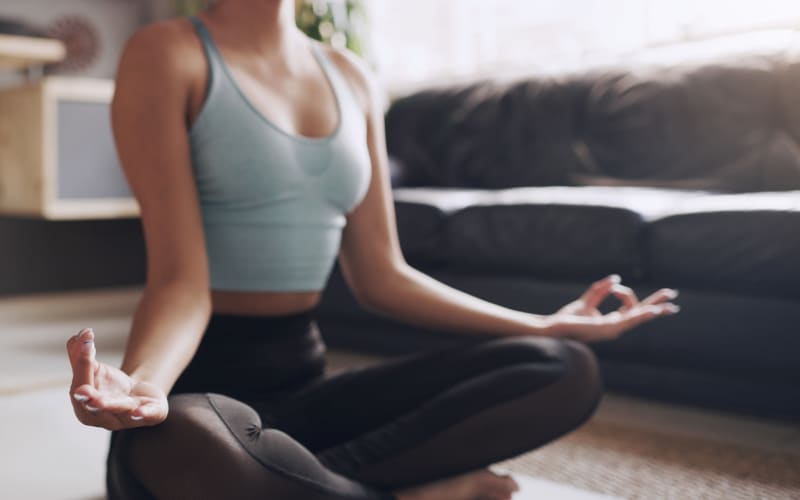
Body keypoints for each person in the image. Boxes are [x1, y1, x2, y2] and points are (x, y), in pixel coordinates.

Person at [65, 1, 680, 499]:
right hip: (200, 398)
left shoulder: (351, 76)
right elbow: (180, 280)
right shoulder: (169, 53)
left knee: (562, 367)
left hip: (306, 393)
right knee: (195, 443)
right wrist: (144, 386)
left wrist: (546, 323)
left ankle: (322, 485)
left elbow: (382, 274)